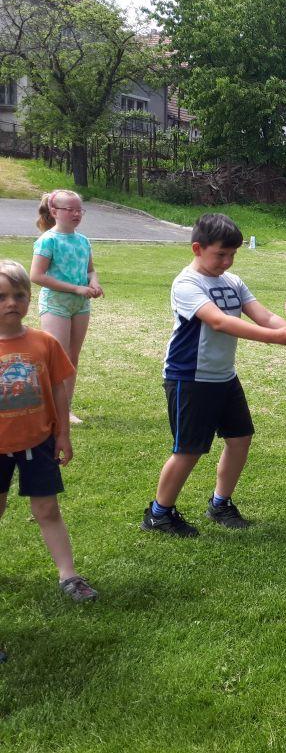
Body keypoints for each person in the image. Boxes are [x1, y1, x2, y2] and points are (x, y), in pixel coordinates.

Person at [147, 214, 286, 535]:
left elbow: (264, 316)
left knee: (240, 439)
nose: (227, 261)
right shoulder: (187, 284)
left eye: (232, 254)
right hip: (189, 378)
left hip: (223, 377)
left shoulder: (232, 282)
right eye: (220, 254)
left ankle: (220, 504)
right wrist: (276, 339)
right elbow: (219, 321)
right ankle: (158, 514)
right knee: (188, 450)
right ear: (197, 248)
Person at [0, 259, 96, 601]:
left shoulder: (45, 343)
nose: (11, 303)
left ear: (30, 298)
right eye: (1, 297)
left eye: (19, 295)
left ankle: (69, 576)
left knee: (47, 510)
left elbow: (58, 390)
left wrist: (63, 434)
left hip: (38, 443)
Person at [29, 190, 103, 425]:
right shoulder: (48, 240)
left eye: (79, 209)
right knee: (56, 358)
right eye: (70, 209)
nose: (76, 214)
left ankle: (65, 409)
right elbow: (36, 276)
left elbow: (90, 270)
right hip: (56, 305)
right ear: (54, 211)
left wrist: (93, 282)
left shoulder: (83, 241)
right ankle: (48, 408)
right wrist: (76, 288)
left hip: (80, 306)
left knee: (72, 358)